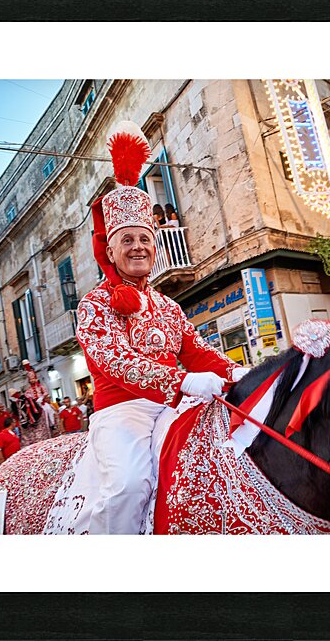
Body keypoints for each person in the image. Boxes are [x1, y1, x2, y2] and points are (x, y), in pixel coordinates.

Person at [45, 120, 247, 535]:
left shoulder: (167, 304)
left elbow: (196, 350)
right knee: (128, 487)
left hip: (173, 409)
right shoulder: (96, 303)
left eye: (145, 239)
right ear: (112, 250)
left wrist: (235, 371)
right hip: (122, 414)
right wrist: (185, 382)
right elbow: (115, 362)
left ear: (155, 245)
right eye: (127, 240)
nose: (138, 246)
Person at [15, 361, 53, 446]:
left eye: (33, 378)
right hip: (34, 405)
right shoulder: (28, 390)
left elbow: (46, 393)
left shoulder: (41, 387)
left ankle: (52, 424)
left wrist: (42, 398)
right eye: (30, 379)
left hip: (42, 403)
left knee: (50, 409)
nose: (32, 380)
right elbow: (27, 398)